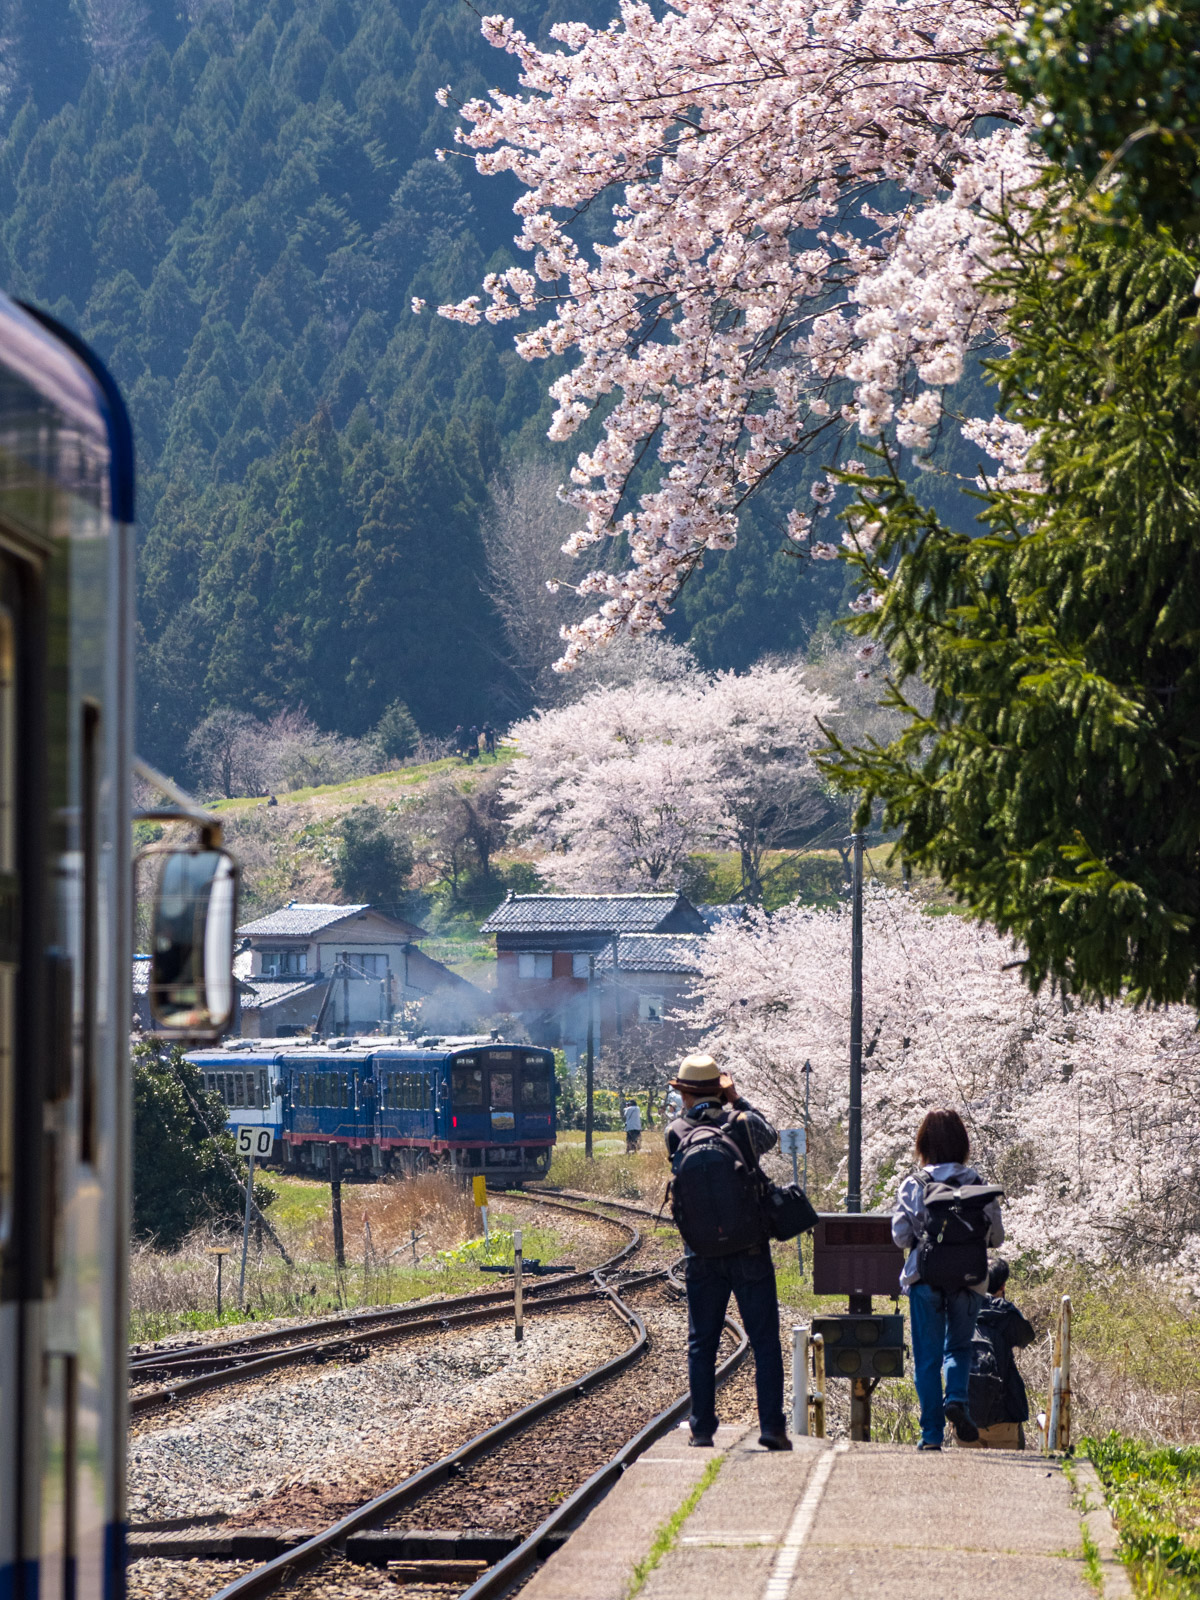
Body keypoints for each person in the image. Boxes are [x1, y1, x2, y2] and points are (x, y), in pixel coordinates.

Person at [665, 1053, 789, 1452]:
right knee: (765, 1340)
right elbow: (771, 1135)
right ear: (721, 1088)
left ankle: (702, 1428)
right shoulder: (742, 1124)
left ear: (684, 1093)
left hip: (700, 1254)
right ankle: (771, 1426)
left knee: (702, 1342)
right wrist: (739, 1100)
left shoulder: (676, 1131)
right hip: (749, 1250)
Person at [892, 1107, 1004, 1451]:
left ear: (923, 1143)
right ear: (962, 1143)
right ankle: (956, 1398)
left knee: (927, 1359)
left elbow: (899, 1235)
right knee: (958, 1347)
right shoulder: (977, 1184)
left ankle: (931, 1437)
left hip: (924, 1279)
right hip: (969, 1279)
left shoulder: (914, 1184)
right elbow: (996, 1237)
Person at [966, 1259, 1035, 1449]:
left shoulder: (960, 1310)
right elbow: (1026, 1338)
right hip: (1004, 1416)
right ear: (1003, 1285)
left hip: (965, 1416)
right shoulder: (1006, 1313)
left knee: (967, 1476)